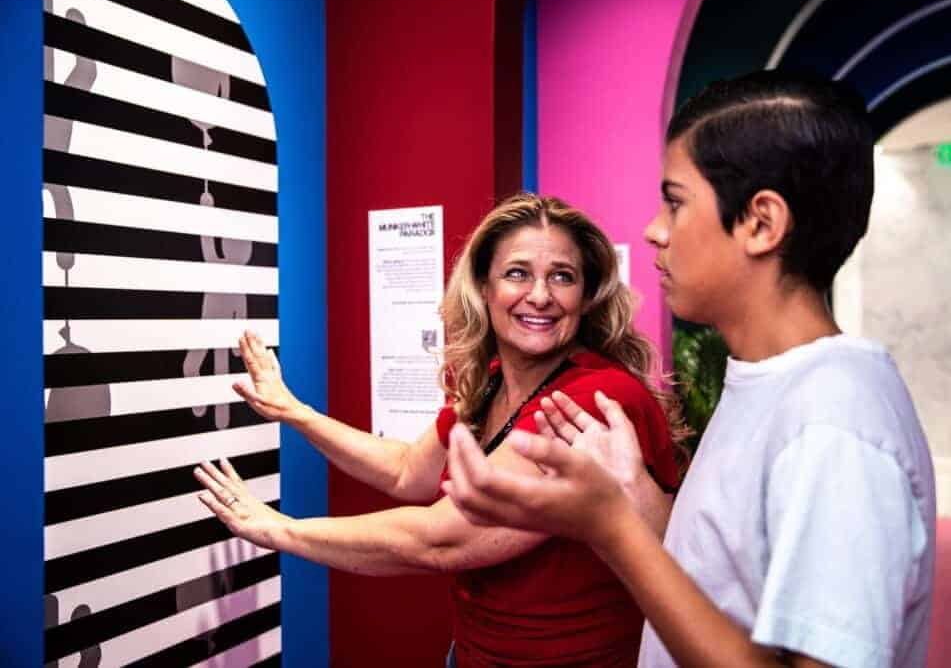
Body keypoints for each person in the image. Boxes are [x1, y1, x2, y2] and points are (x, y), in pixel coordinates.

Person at [443, 70, 937, 668]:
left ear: (761, 223)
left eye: (675, 202)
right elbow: (726, 581)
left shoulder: (834, 427)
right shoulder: (773, 384)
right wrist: (637, 497)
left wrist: (611, 527)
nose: (654, 231)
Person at [193, 193, 686, 666]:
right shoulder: (493, 382)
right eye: (517, 274)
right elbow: (409, 470)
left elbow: (442, 539)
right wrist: (295, 412)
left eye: (563, 277)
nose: (540, 296)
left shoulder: (592, 400)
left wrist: (280, 530)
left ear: (587, 295)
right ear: (484, 288)